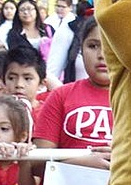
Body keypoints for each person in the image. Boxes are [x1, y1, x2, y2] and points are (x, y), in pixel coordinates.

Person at [29, 17, 113, 174]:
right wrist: (80, 163)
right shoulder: (60, 96)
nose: (102, 54)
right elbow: (37, 165)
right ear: (81, 49)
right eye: (93, 46)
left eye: (110, 45)